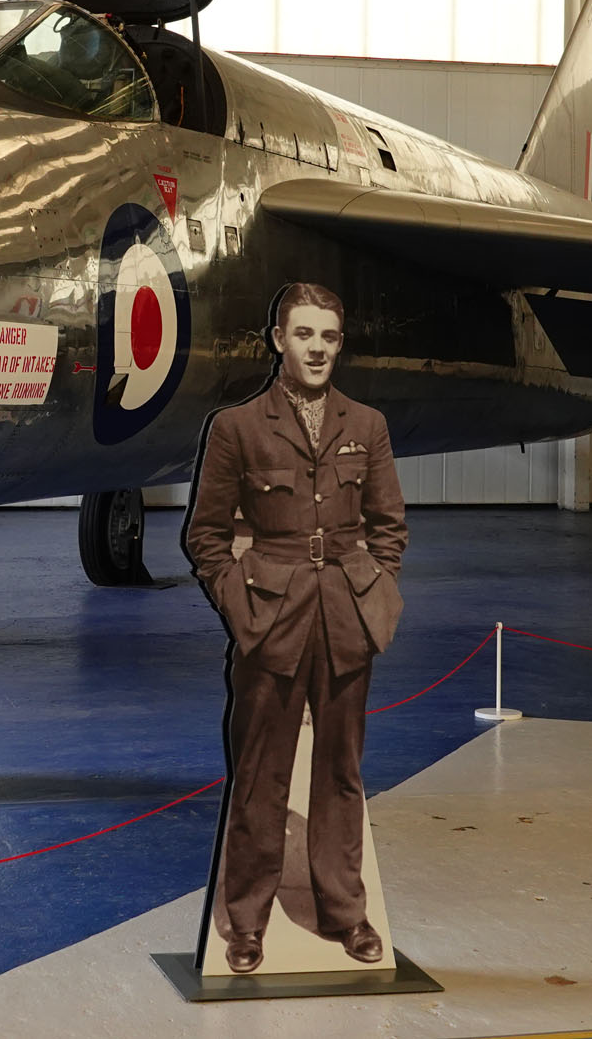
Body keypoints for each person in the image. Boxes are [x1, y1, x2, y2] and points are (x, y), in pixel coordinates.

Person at [184, 282, 408, 975]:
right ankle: (246, 920)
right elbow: (206, 536)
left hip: (345, 616)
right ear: (278, 339)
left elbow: (389, 526)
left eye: (329, 336)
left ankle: (345, 911)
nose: (317, 348)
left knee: (341, 772)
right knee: (259, 776)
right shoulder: (238, 427)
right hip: (269, 622)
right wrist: (239, 602)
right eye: (304, 334)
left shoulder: (365, 424)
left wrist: (376, 591)